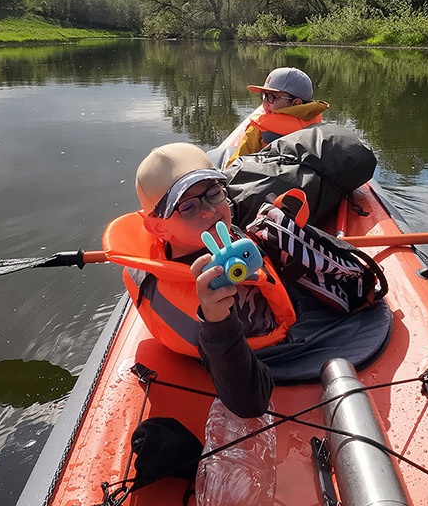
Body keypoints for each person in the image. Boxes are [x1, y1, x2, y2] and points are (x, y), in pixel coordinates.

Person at [102, 142, 297, 418]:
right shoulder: (199, 304)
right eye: (188, 206)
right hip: (264, 352)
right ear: (158, 227)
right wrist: (218, 323)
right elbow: (251, 403)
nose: (210, 211)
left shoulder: (209, 233)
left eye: (214, 192)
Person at [223, 67, 329, 167]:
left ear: (296, 103)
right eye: (264, 95)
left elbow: (233, 167)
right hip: (302, 182)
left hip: (263, 183)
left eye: (271, 97)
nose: (264, 102)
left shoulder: (258, 130)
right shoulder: (318, 127)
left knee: (222, 155)